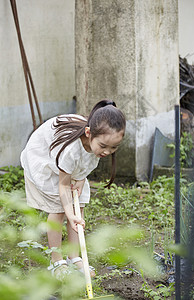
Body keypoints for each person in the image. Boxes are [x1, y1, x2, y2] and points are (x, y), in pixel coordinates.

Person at [20, 99, 126, 279]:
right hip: (45, 156)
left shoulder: (96, 144)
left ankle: (74, 257)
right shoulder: (71, 150)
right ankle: (56, 261)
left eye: (113, 147)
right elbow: (62, 185)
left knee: (80, 204)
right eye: (103, 146)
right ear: (88, 133)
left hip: (66, 164)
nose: (107, 152)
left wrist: (80, 180)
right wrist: (69, 212)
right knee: (59, 209)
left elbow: (83, 165)